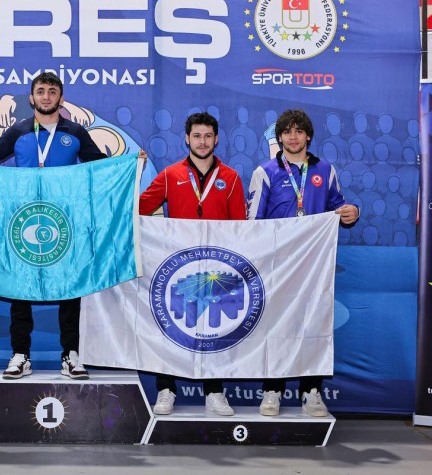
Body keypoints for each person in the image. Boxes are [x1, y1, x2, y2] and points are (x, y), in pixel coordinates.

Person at [0, 72, 106, 380]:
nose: (46, 96)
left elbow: (100, 166)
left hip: (63, 222)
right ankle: (20, 354)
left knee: (70, 285)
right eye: (40, 91)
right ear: (31, 98)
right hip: (23, 219)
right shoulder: (19, 131)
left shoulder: (75, 132)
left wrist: (130, 164)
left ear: (61, 98)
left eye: (52, 91)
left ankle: (70, 354)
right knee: (20, 285)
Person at [248, 109, 359, 417]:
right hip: (277, 266)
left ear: (308, 135)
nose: (293, 137)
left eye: (299, 131)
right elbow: (253, 223)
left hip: (314, 266)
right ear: (279, 137)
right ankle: (272, 390)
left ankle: (311, 391)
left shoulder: (325, 169)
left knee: (313, 325)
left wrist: (352, 212)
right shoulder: (265, 172)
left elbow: (339, 208)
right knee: (276, 327)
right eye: (287, 132)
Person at [139, 112, 246, 416]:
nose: (202, 142)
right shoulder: (170, 175)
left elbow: (240, 227)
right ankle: (166, 389)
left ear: (216, 139)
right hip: (178, 266)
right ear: (186, 138)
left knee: (214, 329)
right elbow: (139, 207)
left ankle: (214, 392)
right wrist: (131, 174)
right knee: (171, 328)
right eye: (197, 136)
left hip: (216, 268)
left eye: (208, 136)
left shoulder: (230, 177)